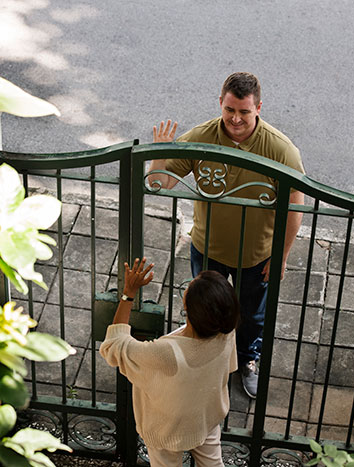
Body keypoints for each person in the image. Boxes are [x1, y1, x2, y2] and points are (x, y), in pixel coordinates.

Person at [148, 72, 305, 399]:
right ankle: (203, 362)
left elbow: (294, 206)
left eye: (244, 112)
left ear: (258, 108)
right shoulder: (202, 138)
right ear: (221, 103)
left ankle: (247, 360)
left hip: (255, 255)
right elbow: (159, 184)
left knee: (251, 315)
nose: (236, 118)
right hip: (207, 250)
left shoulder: (279, 149)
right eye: (230, 109)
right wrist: (160, 153)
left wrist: (281, 254)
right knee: (204, 312)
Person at [100, 258, 239, 467]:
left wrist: (129, 292)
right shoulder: (225, 331)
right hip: (205, 417)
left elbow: (113, 346)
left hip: (166, 428)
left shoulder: (167, 353)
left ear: (186, 305)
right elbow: (229, 367)